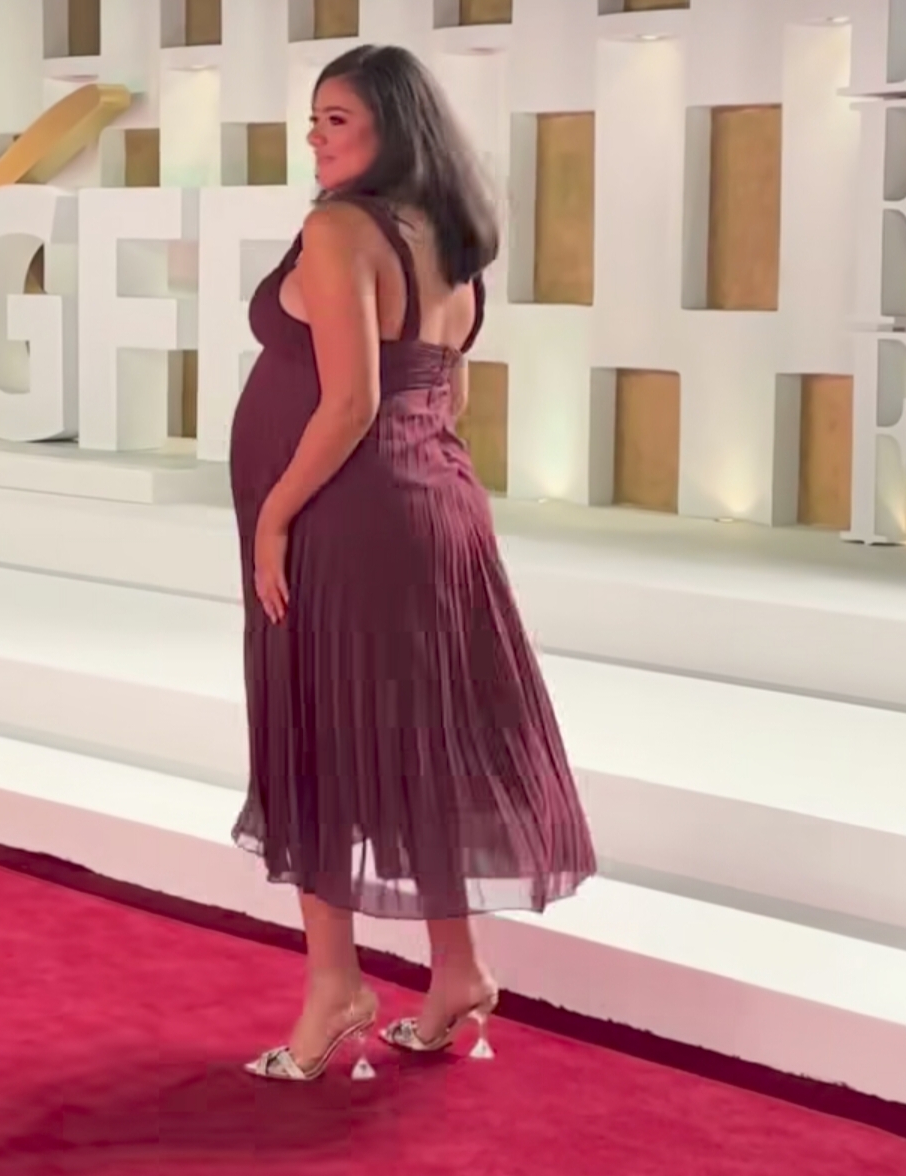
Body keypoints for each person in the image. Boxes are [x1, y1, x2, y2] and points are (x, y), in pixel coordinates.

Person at [229, 43, 596, 1083]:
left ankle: (334, 987)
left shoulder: (339, 230)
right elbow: (447, 393)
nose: (314, 137)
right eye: (313, 119)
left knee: (320, 732)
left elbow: (350, 402)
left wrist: (274, 517)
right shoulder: (451, 236)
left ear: (394, 125)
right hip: (433, 505)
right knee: (421, 735)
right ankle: (458, 971)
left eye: (336, 119)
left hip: (345, 517)